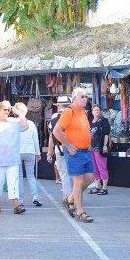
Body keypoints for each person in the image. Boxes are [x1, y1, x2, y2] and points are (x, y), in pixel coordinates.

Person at [53, 88, 95, 223]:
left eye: (86, 97)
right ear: (74, 98)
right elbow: (56, 131)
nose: (85, 99)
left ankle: (70, 200)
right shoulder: (68, 111)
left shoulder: (82, 112)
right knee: (79, 181)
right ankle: (79, 211)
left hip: (85, 151)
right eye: (82, 96)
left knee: (90, 179)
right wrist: (69, 145)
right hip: (74, 151)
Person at [0, 100, 29, 214]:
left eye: (8, 109)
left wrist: (18, 113)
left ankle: (16, 206)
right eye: (5, 109)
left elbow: (26, 126)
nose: (7, 112)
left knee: (14, 182)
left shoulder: (15, 122)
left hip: (12, 159)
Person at [14, 102, 42, 207]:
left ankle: (20, 199)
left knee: (19, 177)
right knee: (31, 176)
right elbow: (35, 139)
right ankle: (35, 197)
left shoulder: (13, 123)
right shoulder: (31, 123)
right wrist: (38, 153)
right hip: (30, 151)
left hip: (17, 152)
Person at [47, 96, 74, 201]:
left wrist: (49, 153)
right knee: (76, 175)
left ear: (58, 105)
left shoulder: (54, 117)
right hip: (74, 148)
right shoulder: (73, 115)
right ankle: (74, 197)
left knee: (64, 175)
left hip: (60, 149)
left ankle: (68, 198)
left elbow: (51, 136)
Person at [88, 104, 111, 195]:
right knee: (94, 168)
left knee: (102, 167)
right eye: (95, 110)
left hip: (100, 147)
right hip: (92, 147)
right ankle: (98, 186)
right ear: (92, 111)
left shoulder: (103, 121)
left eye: (98, 110)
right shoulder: (90, 121)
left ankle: (104, 188)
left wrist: (105, 145)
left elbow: (106, 134)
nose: (97, 112)